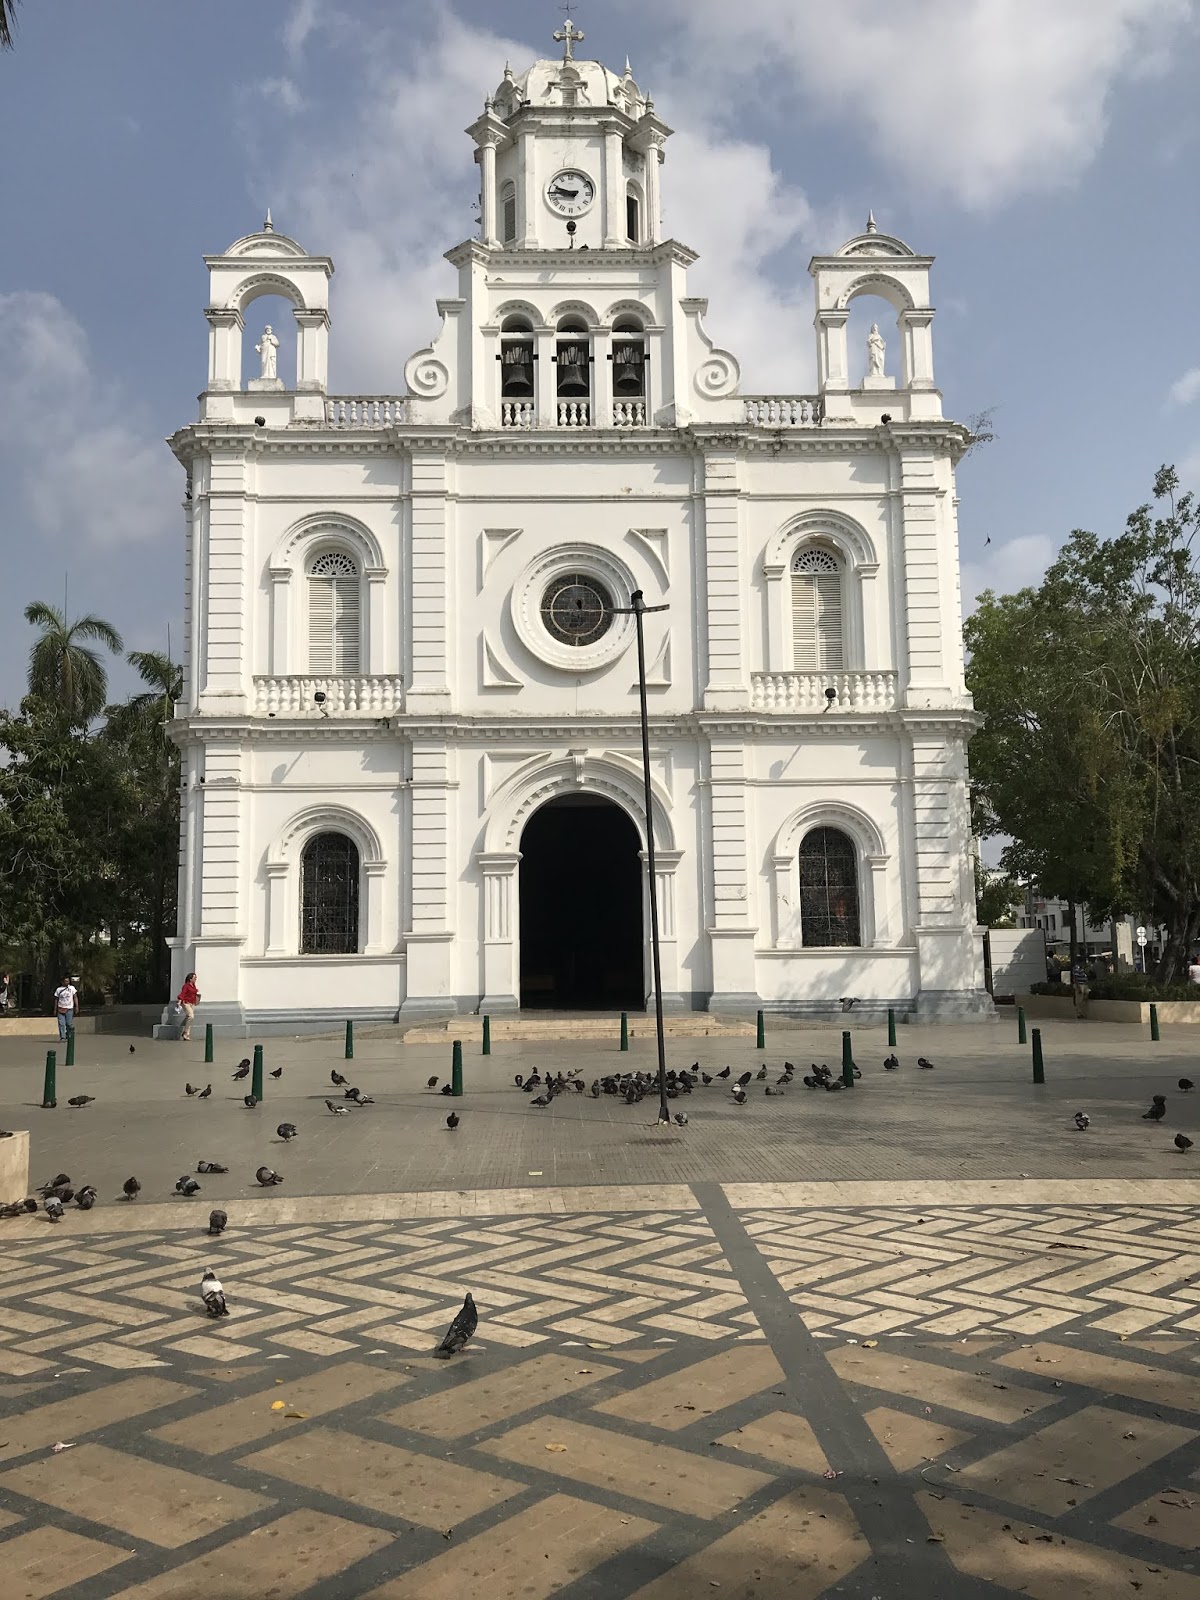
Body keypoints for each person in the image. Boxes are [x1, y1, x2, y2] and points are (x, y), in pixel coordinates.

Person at [53, 974, 78, 1041]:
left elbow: (75, 997)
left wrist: (76, 1006)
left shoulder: (72, 988)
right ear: (62, 982)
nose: (67, 982)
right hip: (60, 1008)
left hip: (69, 1008)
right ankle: (63, 1037)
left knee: (69, 1023)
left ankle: (69, 1035)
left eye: (68, 981)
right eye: (65, 981)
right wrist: (55, 1009)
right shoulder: (58, 989)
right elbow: (56, 999)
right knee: (61, 1024)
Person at [177, 972, 200, 1042]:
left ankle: (186, 1035)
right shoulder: (186, 986)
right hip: (186, 1003)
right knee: (191, 1016)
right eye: (194, 978)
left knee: (189, 1019)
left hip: (192, 1003)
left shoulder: (193, 985)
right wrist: (179, 1001)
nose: (196, 979)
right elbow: (182, 993)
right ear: (190, 979)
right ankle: (185, 1032)